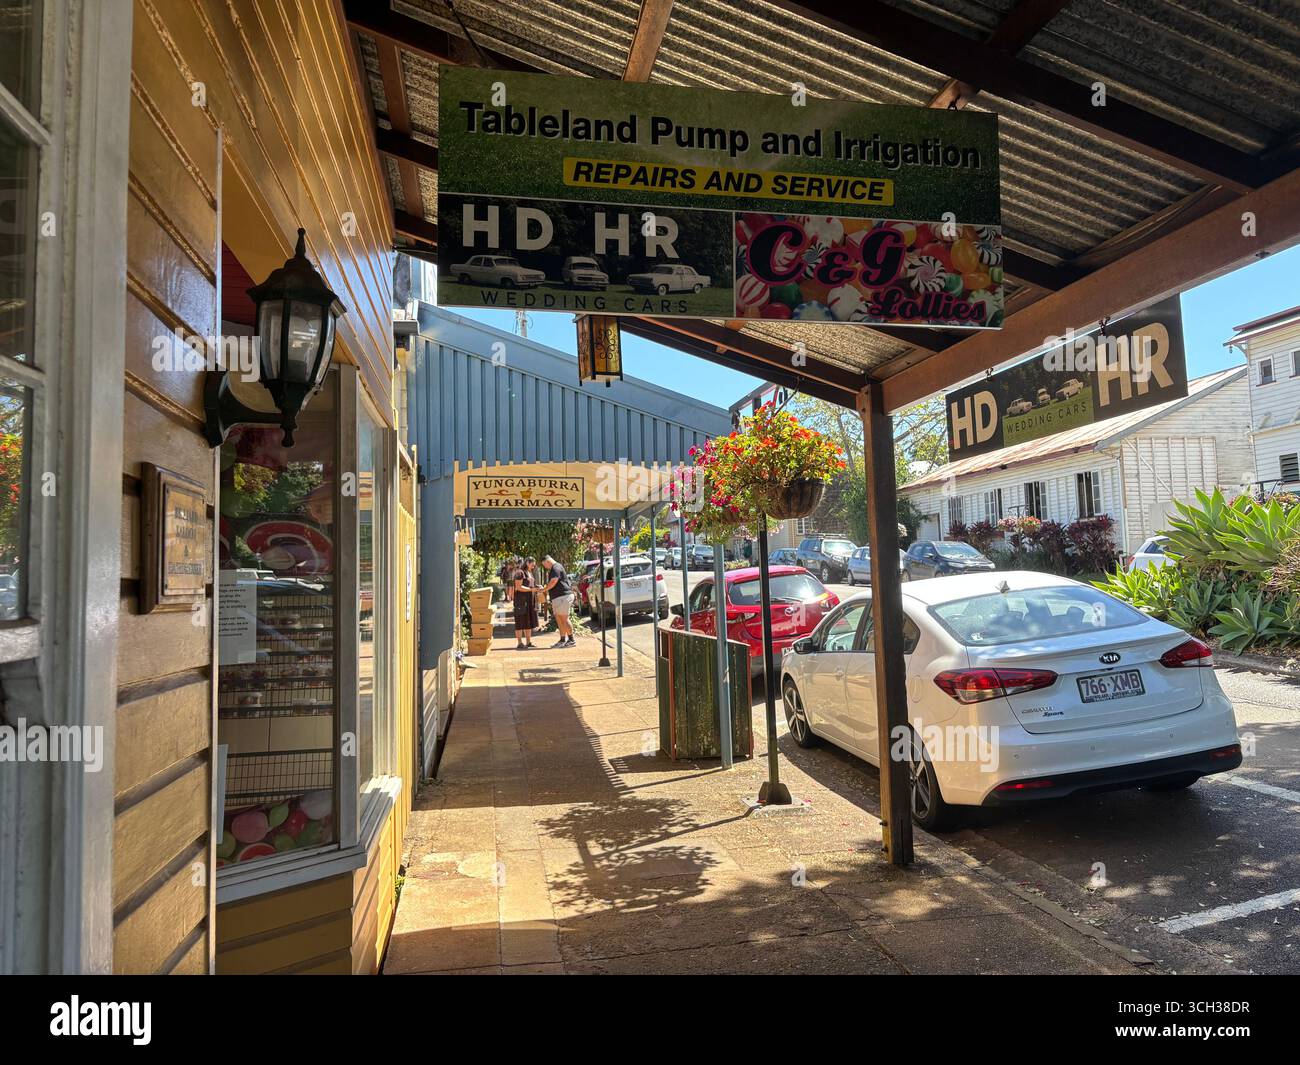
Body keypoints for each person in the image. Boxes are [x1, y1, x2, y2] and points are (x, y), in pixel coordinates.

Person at [540, 553, 575, 647]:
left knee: (564, 618)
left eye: (544, 565)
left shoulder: (556, 567)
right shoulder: (554, 568)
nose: (545, 567)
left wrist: (544, 589)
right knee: (559, 619)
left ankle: (571, 640)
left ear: (547, 561)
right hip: (558, 597)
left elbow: (553, 581)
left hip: (563, 596)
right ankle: (562, 639)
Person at [512, 557, 537, 649]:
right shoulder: (520, 572)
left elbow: (530, 585)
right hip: (521, 601)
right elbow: (518, 587)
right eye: (532, 564)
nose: (533, 566)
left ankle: (528, 642)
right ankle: (519, 643)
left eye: (534, 565)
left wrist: (536, 587)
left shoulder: (530, 572)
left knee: (528, 621)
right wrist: (531, 589)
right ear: (527, 563)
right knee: (520, 622)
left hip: (529, 600)